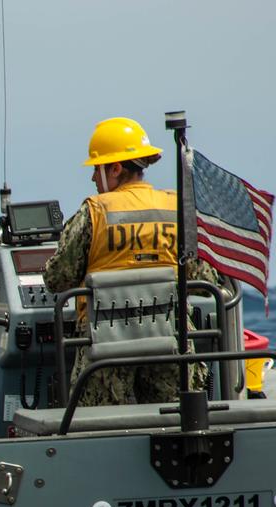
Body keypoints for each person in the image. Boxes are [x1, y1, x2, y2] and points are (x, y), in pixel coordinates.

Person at [43, 116, 219, 406]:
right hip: (170, 339)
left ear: (115, 168)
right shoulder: (176, 206)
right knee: (176, 416)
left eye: (96, 169)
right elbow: (203, 282)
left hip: (106, 347)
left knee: (102, 428)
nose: (92, 178)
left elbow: (57, 279)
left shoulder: (94, 212)